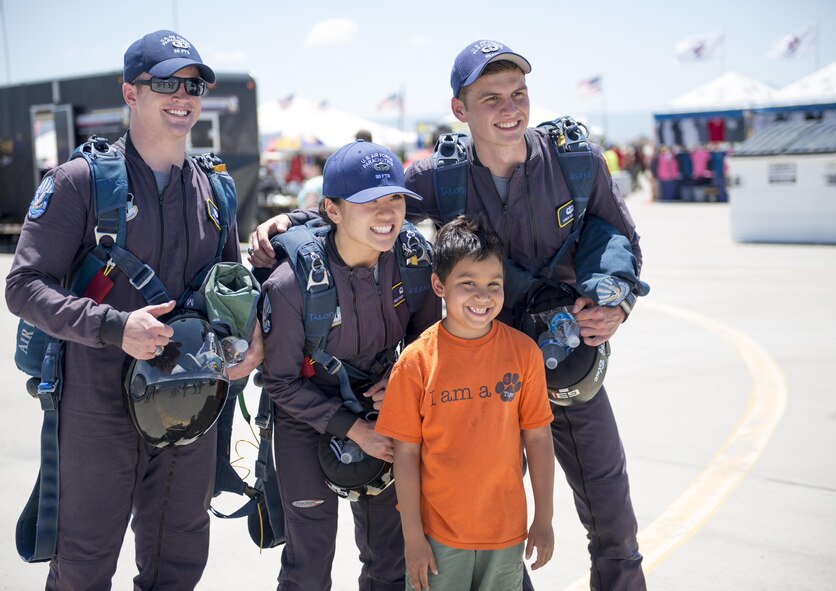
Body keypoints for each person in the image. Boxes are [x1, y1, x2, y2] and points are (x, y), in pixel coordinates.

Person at [248, 39, 648, 591]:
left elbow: (621, 234)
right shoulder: (443, 173)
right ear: (460, 110)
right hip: (486, 374)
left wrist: (617, 301)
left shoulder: (575, 160)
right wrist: (290, 224)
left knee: (613, 519)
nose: (510, 109)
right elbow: (366, 205)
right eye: (491, 98)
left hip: (565, 359)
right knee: (486, 522)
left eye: (518, 94)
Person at [5, 30, 260, 590]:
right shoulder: (81, 183)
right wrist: (115, 327)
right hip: (97, 409)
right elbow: (23, 285)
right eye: (165, 82)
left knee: (178, 566)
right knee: (83, 568)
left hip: (192, 406)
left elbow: (231, 287)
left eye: (193, 85)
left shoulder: (216, 191)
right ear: (130, 93)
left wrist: (247, 341)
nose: (182, 95)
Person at [259, 140, 441, 590]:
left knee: (388, 557)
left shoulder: (414, 262)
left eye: (395, 198)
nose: (387, 213)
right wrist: (352, 427)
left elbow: (427, 342)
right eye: (368, 202)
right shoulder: (290, 285)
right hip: (306, 414)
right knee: (310, 561)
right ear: (333, 210)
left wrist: (402, 380)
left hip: (384, 407)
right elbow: (279, 382)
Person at [376, 215, 555, 591]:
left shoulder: (523, 353)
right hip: (438, 537)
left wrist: (544, 517)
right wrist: (412, 539)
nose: (482, 296)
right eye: (467, 283)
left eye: (494, 284)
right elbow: (405, 456)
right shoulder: (416, 362)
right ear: (439, 285)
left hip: (505, 533)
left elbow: (538, 439)